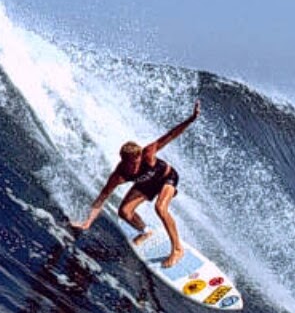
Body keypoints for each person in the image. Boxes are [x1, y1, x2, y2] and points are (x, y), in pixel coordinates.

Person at [71, 101, 200, 268]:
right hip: (146, 183)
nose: (137, 164)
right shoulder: (119, 175)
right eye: (133, 162)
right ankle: (146, 232)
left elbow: (170, 135)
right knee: (124, 211)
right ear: (124, 161)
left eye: (138, 160)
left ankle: (177, 249)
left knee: (160, 208)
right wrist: (87, 222)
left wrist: (191, 119)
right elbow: (102, 198)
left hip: (166, 178)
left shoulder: (147, 153)